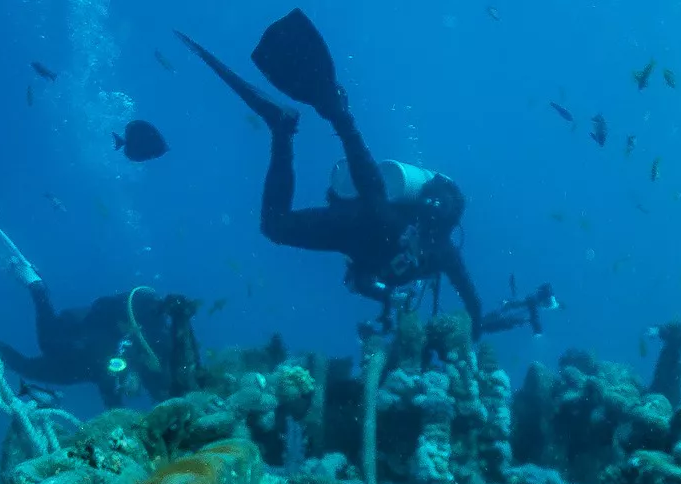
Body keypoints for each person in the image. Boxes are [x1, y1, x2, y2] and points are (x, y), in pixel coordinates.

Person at [181, 10, 525, 336]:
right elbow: (373, 190)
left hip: (348, 232)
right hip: (356, 221)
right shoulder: (436, 248)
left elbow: (368, 278)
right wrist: (341, 119)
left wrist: (391, 298)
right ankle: (308, 122)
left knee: (275, 225)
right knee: (344, 215)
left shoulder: (433, 257)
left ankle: (282, 127)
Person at [0, 213, 202, 409]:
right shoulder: (137, 346)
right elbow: (112, 378)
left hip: (86, 361)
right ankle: (36, 286)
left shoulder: (161, 346)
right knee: (41, 351)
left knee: (26, 366)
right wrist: (120, 399)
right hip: (77, 347)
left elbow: (132, 377)